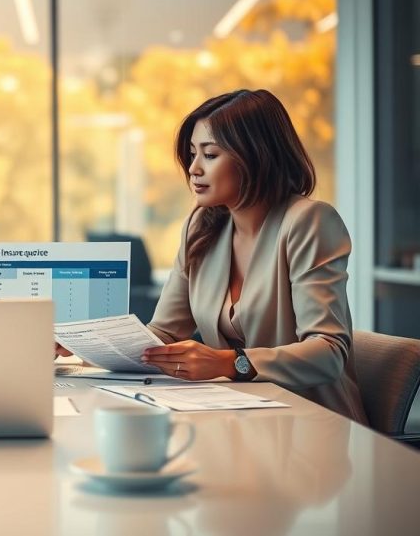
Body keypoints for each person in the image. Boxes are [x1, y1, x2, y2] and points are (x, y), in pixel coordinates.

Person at [141, 89, 367, 423]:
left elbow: (328, 351)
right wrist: (90, 350)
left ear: (255, 156)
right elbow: (165, 334)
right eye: (192, 154)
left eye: (210, 154)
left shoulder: (308, 222)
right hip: (236, 415)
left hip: (312, 424)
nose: (193, 169)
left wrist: (229, 363)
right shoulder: (201, 228)